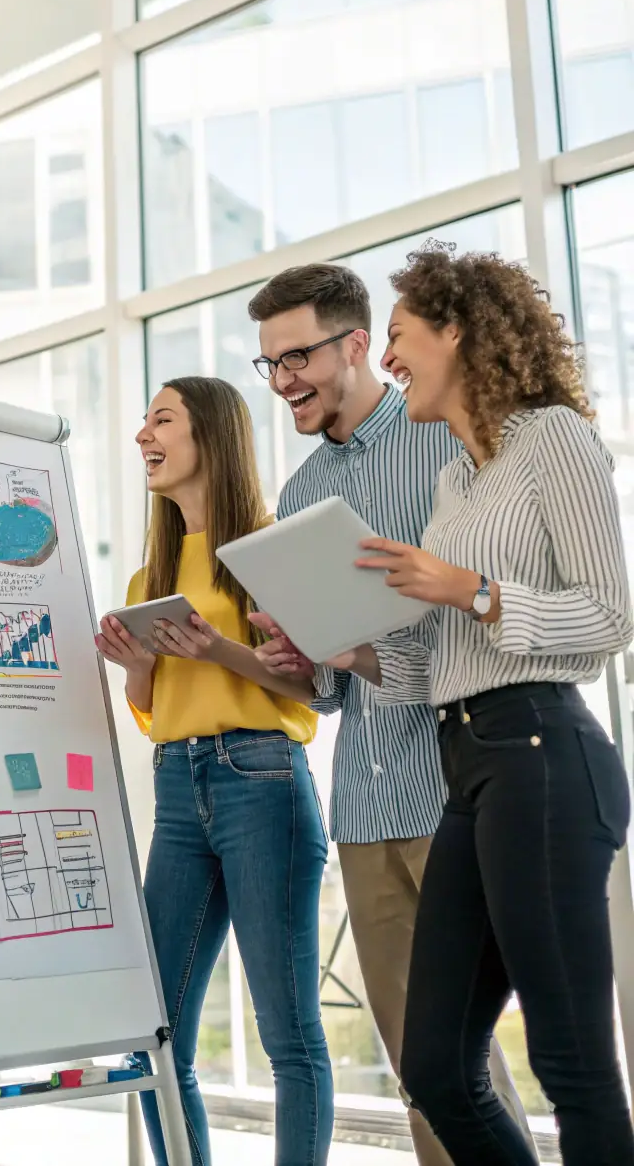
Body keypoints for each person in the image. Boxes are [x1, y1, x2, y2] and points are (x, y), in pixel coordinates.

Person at [320, 246, 633, 1165]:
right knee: (436, 1065)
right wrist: (355, 649)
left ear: (456, 330)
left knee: (571, 1059)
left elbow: (611, 615)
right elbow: (446, 666)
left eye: (402, 336)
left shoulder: (554, 438)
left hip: (544, 754)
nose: (389, 360)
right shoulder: (457, 480)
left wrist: (476, 589)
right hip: (470, 763)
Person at [247, 262, 534, 1166]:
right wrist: (297, 658)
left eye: (296, 355)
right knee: (423, 1064)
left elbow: (490, 599)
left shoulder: (443, 444)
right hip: (366, 807)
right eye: (270, 363)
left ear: (357, 343)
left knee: (474, 1059)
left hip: (459, 784)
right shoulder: (297, 498)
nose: (284, 378)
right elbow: (331, 692)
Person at [95, 376, 331, 1166]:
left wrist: (216, 648)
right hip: (177, 780)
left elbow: (312, 688)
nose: (142, 436)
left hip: (261, 776)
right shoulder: (147, 576)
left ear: (212, 436)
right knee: (153, 1033)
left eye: (161, 418)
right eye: (143, 420)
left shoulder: (273, 549)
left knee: (288, 1033)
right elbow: (158, 712)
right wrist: (135, 666)